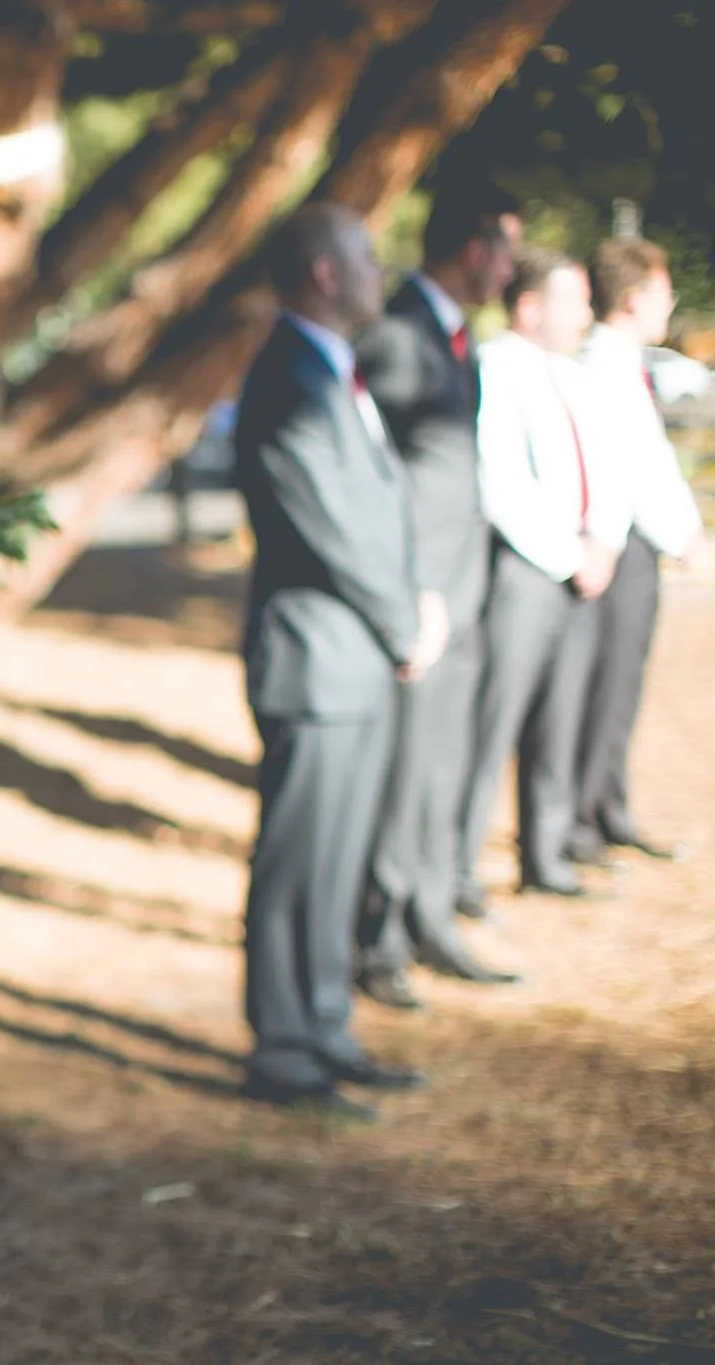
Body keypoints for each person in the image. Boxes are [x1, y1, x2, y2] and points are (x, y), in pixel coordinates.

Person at [233, 203, 439, 1120]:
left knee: (338, 856)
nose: (377, 268)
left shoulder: (329, 367)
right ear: (323, 271)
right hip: (314, 659)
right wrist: (405, 622)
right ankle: (282, 1049)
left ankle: (324, 1026)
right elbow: (332, 526)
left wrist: (415, 602)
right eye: (363, 255)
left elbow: (381, 508)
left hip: (354, 657)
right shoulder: (286, 376)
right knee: (297, 861)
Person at [354, 186, 521, 1010]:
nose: (513, 269)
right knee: (406, 775)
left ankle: (428, 915)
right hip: (423, 597)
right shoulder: (398, 335)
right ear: (473, 248)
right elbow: (379, 476)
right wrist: (412, 591)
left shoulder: (457, 337)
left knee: (443, 767)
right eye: (508, 250)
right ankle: (377, 937)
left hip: (465, 588)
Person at [455, 246, 632, 906]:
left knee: (562, 721)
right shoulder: (495, 367)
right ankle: (458, 868)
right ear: (529, 308)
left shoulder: (572, 376)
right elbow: (499, 479)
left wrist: (605, 543)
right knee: (493, 726)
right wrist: (569, 554)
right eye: (573, 300)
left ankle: (546, 852)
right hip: (527, 572)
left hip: (583, 572)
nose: (586, 313)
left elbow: (608, 468)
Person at [567, 237, 704, 866]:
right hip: (617, 548)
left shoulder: (624, 362)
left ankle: (607, 806)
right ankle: (584, 817)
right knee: (607, 685)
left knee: (622, 685)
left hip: (635, 546)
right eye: (661, 291)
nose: (669, 303)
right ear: (631, 297)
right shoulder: (601, 365)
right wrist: (684, 537)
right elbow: (629, 470)